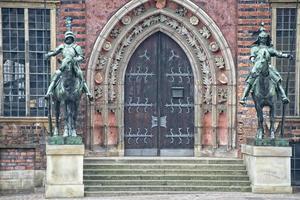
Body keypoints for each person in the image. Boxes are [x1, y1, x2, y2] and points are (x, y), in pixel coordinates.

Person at [239, 23, 292, 105]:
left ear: (267, 39)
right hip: (257, 67)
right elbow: (252, 56)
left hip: (268, 67)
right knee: (250, 81)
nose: (263, 40)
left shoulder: (269, 49)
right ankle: (243, 97)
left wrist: (287, 55)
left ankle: (283, 96)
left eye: (264, 38)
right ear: (259, 39)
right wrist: (253, 60)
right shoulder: (255, 48)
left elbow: (278, 54)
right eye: (261, 38)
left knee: (277, 79)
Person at [44, 30, 93, 101]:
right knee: (56, 74)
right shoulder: (62, 46)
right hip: (64, 65)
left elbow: (81, 57)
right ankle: (49, 92)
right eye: (67, 38)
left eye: (70, 38)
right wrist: (49, 54)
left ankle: (88, 93)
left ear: (72, 38)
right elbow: (55, 52)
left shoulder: (76, 47)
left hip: (73, 65)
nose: (68, 39)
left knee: (80, 75)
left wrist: (74, 59)